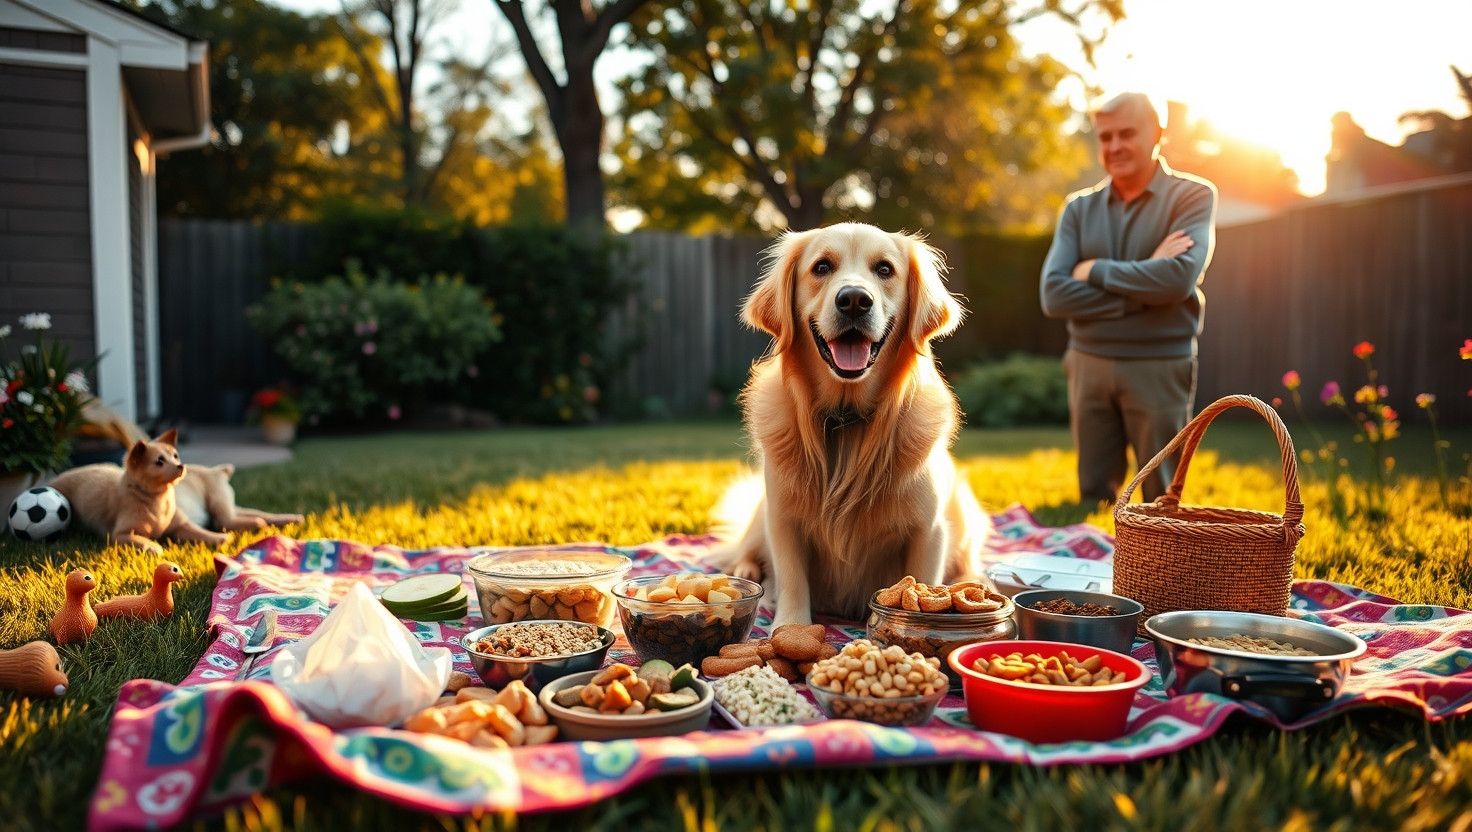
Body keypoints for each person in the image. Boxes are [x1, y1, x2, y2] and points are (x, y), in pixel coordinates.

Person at [1040, 92, 1218, 505]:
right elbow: (1054, 295)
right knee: (1092, 499)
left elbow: (1176, 281)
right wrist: (1146, 281)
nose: (1115, 146)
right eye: (1106, 137)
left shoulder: (1192, 196)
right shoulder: (1078, 209)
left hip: (1158, 364)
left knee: (1161, 502)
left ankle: (1154, 548)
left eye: (1127, 134)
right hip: (1088, 362)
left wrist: (1093, 270)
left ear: (1157, 133)